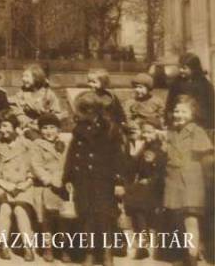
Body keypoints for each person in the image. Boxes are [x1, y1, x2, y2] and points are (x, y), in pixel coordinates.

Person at [63, 91, 128, 266]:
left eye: (88, 111)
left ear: (96, 110)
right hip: (83, 179)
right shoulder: (79, 130)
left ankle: (107, 253)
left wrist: (119, 181)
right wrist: (68, 178)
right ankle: (90, 253)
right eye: (83, 111)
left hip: (104, 180)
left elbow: (118, 158)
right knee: (87, 217)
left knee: (104, 218)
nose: (85, 115)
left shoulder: (110, 129)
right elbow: (72, 155)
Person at [163, 96, 213, 266]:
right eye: (176, 111)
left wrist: (208, 181)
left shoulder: (197, 132)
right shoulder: (170, 132)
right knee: (176, 221)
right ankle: (181, 256)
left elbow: (207, 159)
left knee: (190, 221)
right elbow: (165, 154)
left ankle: (191, 259)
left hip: (192, 182)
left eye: (184, 111)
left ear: (193, 114)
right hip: (173, 181)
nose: (179, 114)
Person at [0, 114, 36, 261]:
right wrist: (4, 184)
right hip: (3, 186)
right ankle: (3, 246)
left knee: (20, 210)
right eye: (0, 126)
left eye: (6, 126)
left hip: (23, 187)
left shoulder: (27, 145)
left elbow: (32, 169)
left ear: (16, 128)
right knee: (5, 209)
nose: (2, 130)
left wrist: (25, 183)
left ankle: (28, 247)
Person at [123, 116, 165, 261]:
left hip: (155, 187)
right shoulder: (145, 147)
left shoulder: (156, 149)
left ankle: (143, 244)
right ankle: (142, 240)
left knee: (138, 206)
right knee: (135, 207)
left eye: (150, 132)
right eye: (144, 132)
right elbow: (134, 166)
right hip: (146, 185)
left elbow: (159, 171)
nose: (146, 135)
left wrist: (148, 181)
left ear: (158, 132)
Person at [29, 114, 70, 263]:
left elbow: (69, 164)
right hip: (46, 186)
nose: (48, 131)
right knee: (47, 220)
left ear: (58, 129)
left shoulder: (65, 144)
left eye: (52, 127)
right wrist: (50, 180)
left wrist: (66, 179)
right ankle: (48, 248)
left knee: (64, 218)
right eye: (45, 128)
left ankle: (64, 248)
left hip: (63, 186)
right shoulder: (37, 145)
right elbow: (36, 166)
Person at [11, 64, 65, 138]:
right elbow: (17, 111)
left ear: (37, 78)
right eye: (22, 76)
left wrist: (42, 122)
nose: (23, 79)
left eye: (26, 76)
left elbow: (56, 113)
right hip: (27, 126)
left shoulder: (48, 94)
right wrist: (28, 122)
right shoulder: (21, 94)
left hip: (45, 128)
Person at [165, 53, 214, 131]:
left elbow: (210, 106)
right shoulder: (176, 83)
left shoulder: (204, 84)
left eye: (184, 68)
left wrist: (209, 125)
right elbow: (170, 103)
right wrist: (168, 120)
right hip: (180, 118)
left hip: (199, 122)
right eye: (179, 67)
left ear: (194, 69)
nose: (181, 70)